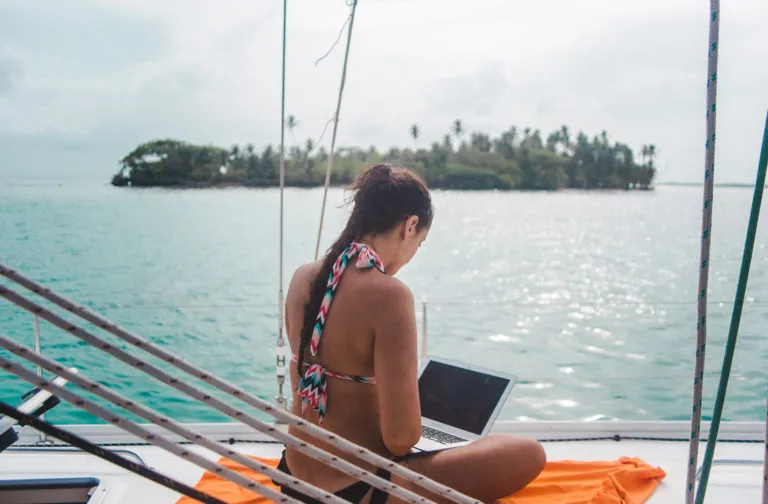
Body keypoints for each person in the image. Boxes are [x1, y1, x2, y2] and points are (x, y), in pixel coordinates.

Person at [277, 164, 545, 504]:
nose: (412, 256)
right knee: (527, 452)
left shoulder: (304, 276)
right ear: (410, 226)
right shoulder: (391, 296)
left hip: (291, 476)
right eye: (419, 244)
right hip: (357, 490)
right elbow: (401, 440)